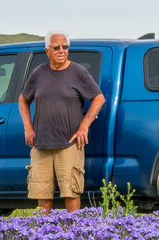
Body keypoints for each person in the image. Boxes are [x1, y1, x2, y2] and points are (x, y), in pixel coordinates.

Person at [18, 34, 104, 215]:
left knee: (71, 192)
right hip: (41, 144)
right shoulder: (39, 73)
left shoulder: (78, 72)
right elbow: (23, 99)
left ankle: (74, 236)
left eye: (65, 47)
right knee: (43, 194)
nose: (62, 51)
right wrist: (28, 126)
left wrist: (84, 126)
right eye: (56, 47)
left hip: (69, 143)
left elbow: (98, 98)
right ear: (47, 50)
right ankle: (44, 236)